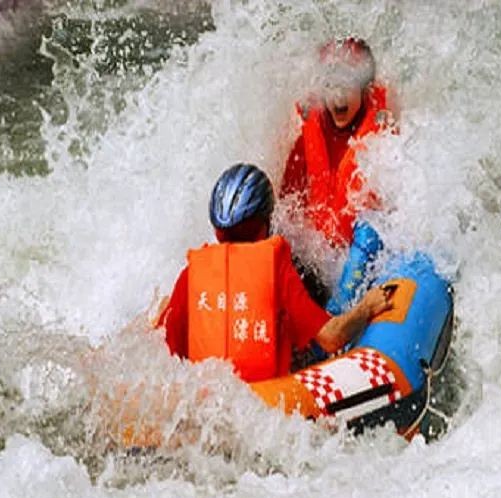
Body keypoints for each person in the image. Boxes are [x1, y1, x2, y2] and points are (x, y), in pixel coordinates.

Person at [155, 163, 393, 383]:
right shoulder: (274, 267)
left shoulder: (192, 273)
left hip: (212, 404)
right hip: (270, 402)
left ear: (217, 231)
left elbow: (164, 353)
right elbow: (332, 337)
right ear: (265, 225)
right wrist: (368, 306)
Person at [281, 37, 397, 249]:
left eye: (346, 86)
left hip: (362, 251)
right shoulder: (309, 133)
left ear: (365, 89)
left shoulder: (381, 135)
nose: (338, 97)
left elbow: (396, 214)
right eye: (331, 85)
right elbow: (286, 209)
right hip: (320, 256)